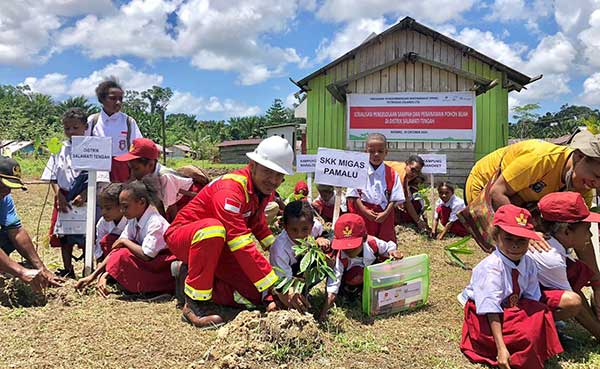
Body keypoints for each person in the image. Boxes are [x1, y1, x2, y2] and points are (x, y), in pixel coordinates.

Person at [165, 136, 307, 329]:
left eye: (279, 175)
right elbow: (240, 243)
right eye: (267, 172)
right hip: (186, 237)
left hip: (219, 244)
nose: (273, 180)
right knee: (212, 230)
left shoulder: (262, 190)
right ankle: (193, 303)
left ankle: (187, 276)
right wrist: (279, 286)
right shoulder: (230, 191)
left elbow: (257, 224)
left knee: (258, 293)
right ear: (253, 165)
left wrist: (283, 250)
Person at [460, 204, 566, 369]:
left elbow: (532, 297)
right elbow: (490, 307)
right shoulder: (491, 268)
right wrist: (501, 348)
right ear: (496, 237)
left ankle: (535, 347)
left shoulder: (528, 262)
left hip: (513, 306)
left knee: (540, 314)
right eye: (508, 239)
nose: (515, 245)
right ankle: (513, 354)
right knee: (526, 331)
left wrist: (531, 318)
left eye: (521, 240)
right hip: (487, 315)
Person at [76, 179, 174, 296]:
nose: (122, 211)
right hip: (147, 261)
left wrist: (124, 241)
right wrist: (94, 276)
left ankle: (151, 287)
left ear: (142, 202)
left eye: (125, 207)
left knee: (123, 254)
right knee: (114, 245)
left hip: (161, 265)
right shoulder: (133, 219)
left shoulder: (155, 222)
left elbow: (147, 255)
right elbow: (116, 248)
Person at [529, 192, 600, 339]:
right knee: (571, 303)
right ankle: (537, 329)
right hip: (509, 308)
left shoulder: (555, 247)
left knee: (576, 270)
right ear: (566, 231)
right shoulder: (551, 257)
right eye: (586, 230)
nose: (590, 236)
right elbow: (576, 305)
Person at [319, 213, 403, 321]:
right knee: (356, 275)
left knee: (387, 268)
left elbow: (388, 247)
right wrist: (324, 312)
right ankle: (352, 293)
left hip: (371, 275)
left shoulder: (372, 243)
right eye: (344, 247)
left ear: (364, 239)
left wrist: (393, 252)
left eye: (352, 247)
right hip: (352, 281)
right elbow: (333, 285)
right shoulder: (340, 259)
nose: (348, 251)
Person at [0, 156, 63, 290]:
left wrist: (41, 268)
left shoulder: (5, 198)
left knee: (8, 235)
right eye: (3, 186)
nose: (7, 191)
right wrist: (20, 271)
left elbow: (16, 232)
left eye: (10, 187)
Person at [41, 108, 88, 278]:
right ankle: (68, 270)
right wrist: (58, 195)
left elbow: (100, 176)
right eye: (67, 128)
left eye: (75, 128)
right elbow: (52, 176)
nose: (71, 132)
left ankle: (87, 268)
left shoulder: (94, 148)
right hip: (63, 198)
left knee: (86, 235)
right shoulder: (59, 149)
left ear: (85, 126)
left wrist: (84, 194)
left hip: (85, 200)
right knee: (64, 236)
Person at [114, 137, 196, 221]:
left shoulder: (164, 177)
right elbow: (158, 203)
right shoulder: (147, 176)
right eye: (131, 168)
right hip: (174, 201)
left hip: (188, 198)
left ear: (150, 164)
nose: (133, 173)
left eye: (136, 169)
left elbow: (172, 208)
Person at [347, 133, 404, 242]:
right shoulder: (358, 171)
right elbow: (353, 194)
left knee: (385, 243)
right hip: (363, 213)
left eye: (380, 151)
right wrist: (364, 210)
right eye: (371, 152)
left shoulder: (391, 173)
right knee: (364, 243)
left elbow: (395, 197)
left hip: (384, 214)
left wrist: (385, 213)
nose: (376, 154)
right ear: (365, 152)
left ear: (386, 153)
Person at [87, 79, 143, 182]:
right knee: (98, 196)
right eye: (113, 98)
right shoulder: (92, 121)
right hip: (97, 169)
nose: (118, 102)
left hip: (122, 169)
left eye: (120, 99)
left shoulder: (128, 122)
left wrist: (133, 175)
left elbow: (138, 149)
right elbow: (82, 147)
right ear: (101, 100)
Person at [270, 200, 331, 281]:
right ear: (285, 227)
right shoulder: (279, 249)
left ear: (312, 225)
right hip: (291, 274)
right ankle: (302, 290)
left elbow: (324, 234)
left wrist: (320, 239)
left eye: (305, 229)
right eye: (294, 230)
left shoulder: (316, 227)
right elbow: (284, 281)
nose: (300, 235)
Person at [386, 155, 430, 233]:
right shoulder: (401, 176)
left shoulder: (406, 174)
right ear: (407, 164)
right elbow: (406, 201)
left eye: (417, 172)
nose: (414, 174)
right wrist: (418, 221)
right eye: (412, 170)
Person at [94, 183, 127, 261]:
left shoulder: (132, 221)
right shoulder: (102, 223)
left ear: (121, 206)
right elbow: (99, 251)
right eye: (101, 208)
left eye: (108, 208)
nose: (103, 212)